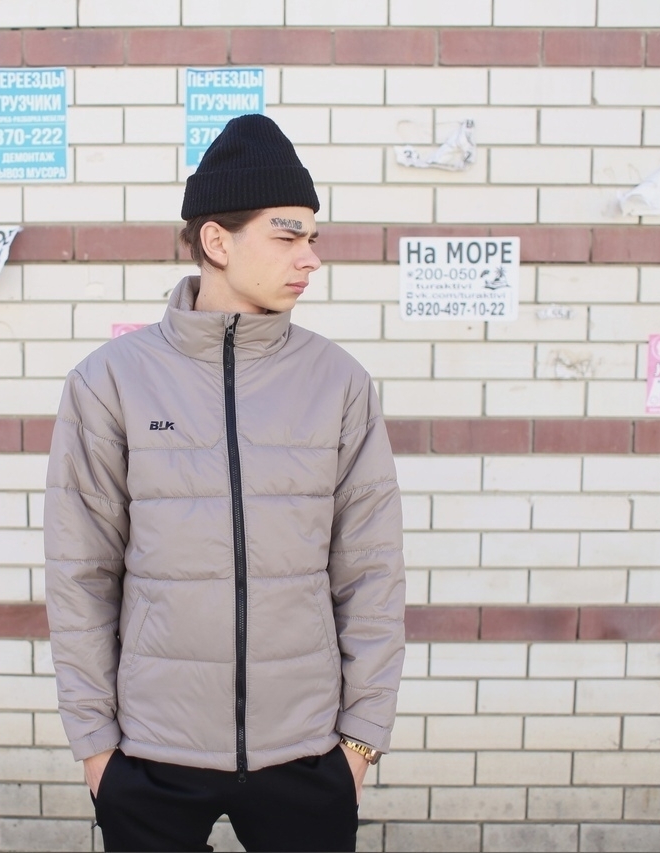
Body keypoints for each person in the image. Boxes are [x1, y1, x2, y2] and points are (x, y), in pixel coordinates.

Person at [44, 114, 405, 853]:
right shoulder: (111, 382)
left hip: (306, 751)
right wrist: (96, 748)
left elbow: (371, 571)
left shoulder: (338, 383)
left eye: (312, 237)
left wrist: (361, 742)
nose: (310, 258)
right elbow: (80, 574)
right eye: (287, 236)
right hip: (151, 753)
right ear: (216, 241)